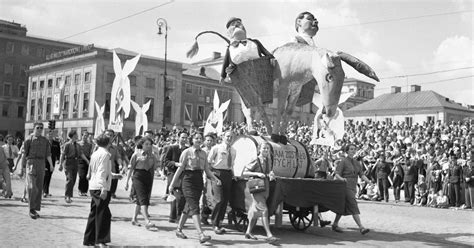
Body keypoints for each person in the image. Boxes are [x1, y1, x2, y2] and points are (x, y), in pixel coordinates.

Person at [169, 132, 221, 244]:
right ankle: (201, 234)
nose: (198, 140)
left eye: (200, 138)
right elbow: (180, 169)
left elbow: (207, 170)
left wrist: (215, 178)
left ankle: (179, 229)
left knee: (188, 207)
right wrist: (172, 184)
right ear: (192, 140)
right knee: (195, 207)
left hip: (198, 180)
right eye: (196, 138)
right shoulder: (186, 152)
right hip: (188, 180)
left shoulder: (203, 153)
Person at [83, 134, 122, 247]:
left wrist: (113, 176)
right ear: (108, 143)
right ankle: (100, 240)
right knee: (103, 214)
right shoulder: (105, 154)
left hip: (94, 186)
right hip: (101, 187)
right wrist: (104, 189)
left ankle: (89, 239)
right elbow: (101, 172)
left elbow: (97, 171)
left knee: (95, 212)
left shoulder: (95, 153)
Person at [242, 142, 279, 244]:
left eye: (267, 149)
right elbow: (244, 172)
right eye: (264, 149)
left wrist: (271, 175)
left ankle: (248, 232)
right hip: (257, 188)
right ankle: (269, 235)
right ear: (259, 149)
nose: (266, 150)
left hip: (265, 188)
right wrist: (257, 173)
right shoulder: (256, 160)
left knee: (255, 211)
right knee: (264, 210)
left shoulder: (268, 160)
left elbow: (268, 173)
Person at [332, 144, 372, 235]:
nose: (353, 151)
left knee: (343, 206)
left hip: (353, 187)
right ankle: (361, 227)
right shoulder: (343, 161)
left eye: (354, 149)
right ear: (347, 151)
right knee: (353, 205)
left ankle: (335, 224)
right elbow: (337, 174)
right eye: (351, 149)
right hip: (345, 187)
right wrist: (342, 179)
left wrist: (369, 181)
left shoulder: (357, 162)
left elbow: (361, 175)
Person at [125, 137, 159, 230]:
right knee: (143, 198)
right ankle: (147, 221)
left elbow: (156, 167)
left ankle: (134, 218)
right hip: (138, 176)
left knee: (141, 199)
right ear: (142, 145)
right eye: (146, 144)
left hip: (148, 176)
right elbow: (131, 168)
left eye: (150, 144)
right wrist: (127, 182)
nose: (148, 146)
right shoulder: (136, 154)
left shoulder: (152, 155)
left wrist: (161, 174)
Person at [21, 122, 54, 219]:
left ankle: (34, 209)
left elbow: (48, 154)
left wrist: (51, 165)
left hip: (41, 163)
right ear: (34, 128)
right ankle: (31, 209)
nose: (40, 129)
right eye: (38, 127)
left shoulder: (45, 140)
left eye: (41, 128)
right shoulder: (28, 139)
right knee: (32, 187)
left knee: (39, 187)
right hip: (31, 163)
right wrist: (22, 168)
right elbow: (24, 154)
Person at [207, 130, 235, 234]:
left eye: (231, 137)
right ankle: (214, 223)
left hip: (228, 174)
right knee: (218, 199)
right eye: (227, 136)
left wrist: (234, 175)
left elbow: (231, 165)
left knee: (225, 200)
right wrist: (211, 176)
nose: (229, 138)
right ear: (223, 137)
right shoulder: (216, 148)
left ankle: (219, 223)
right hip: (217, 174)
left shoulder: (233, 150)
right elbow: (208, 163)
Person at [163, 131, 189, 223]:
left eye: (186, 138)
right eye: (182, 137)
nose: (184, 139)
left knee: (182, 197)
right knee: (175, 195)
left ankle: (177, 216)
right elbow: (166, 161)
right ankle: (174, 216)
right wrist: (175, 164)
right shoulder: (172, 148)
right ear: (178, 137)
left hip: (183, 175)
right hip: (173, 174)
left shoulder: (188, 150)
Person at [59, 130, 90, 203]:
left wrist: (87, 161)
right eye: (76, 134)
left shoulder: (78, 145)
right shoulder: (67, 145)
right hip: (68, 162)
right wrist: (60, 164)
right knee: (70, 179)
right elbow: (63, 154)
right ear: (73, 135)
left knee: (73, 180)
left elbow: (81, 154)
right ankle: (67, 196)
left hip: (75, 163)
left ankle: (69, 195)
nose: (77, 135)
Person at [43, 131, 61, 197]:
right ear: (47, 135)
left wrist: (58, 159)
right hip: (45, 161)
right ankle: (45, 191)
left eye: (51, 135)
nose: (50, 136)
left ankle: (46, 191)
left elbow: (58, 152)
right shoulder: (44, 143)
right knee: (45, 175)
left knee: (49, 176)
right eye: (49, 135)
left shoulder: (56, 143)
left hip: (52, 161)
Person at [78, 131, 93, 196]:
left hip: (88, 159)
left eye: (87, 136)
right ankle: (80, 189)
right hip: (80, 160)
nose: (85, 137)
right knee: (82, 175)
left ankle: (84, 191)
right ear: (82, 136)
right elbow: (80, 153)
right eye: (84, 135)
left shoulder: (89, 144)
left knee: (87, 176)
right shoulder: (78, 144)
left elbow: (91, 152)